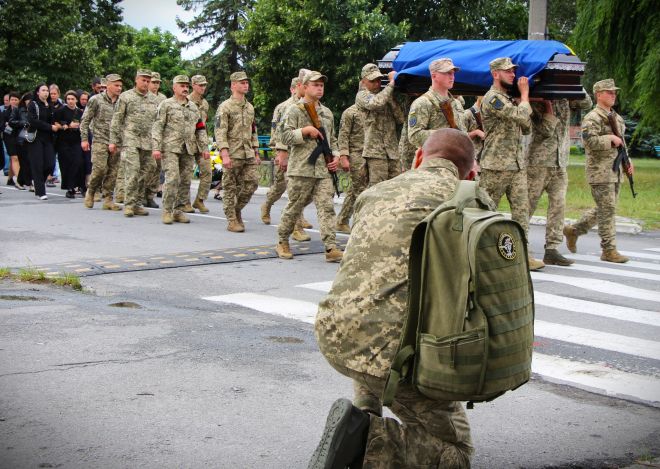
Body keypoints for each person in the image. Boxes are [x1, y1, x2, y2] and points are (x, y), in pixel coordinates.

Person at [310, 129, 475, 469]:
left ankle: (364, 414)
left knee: (378, 310)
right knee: (455, 454)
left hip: (337, 333)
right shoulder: (468, 203)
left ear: (417, 158)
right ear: (470, 175)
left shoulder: (374, 193)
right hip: (393, 354)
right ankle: (369, 442)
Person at [479, 57, 544, 271]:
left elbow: (526, 126)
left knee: (521, 213)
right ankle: (478, 253)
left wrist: (521, 105)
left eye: (513, 71)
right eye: (507, 71)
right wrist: (525, 96)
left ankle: (524, 255)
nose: (513, 75)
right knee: (486, 212)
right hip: (495, 165)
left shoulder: (508, 99)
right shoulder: (492, 98)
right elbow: (519, 115)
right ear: (495, 74)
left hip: (516, 165)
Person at [276, 71, 343, 262]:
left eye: (321, 85)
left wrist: (336, 156)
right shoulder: (294, 110)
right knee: (294, 207)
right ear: (304, 87)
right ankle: (282, 241)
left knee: (326, 207)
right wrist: (304, 131)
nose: (319, 88)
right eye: (315, 85)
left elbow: (333, 140)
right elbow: (285, 136)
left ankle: (330, 248)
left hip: (323, 169)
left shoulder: (327, 113)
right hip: (301, 168)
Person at [563, 79, 632, 263]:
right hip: (600, 171)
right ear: (599, 94)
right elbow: (589, 143)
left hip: (615, 170)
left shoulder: (616, 117)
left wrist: (628, 162)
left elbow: (622, 143)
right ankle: (608, 250)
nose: (613, 95)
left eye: (614, 92)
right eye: (609, 92)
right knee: (607, 209)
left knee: (607, 208)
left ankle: (574, 230)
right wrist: (608, 138)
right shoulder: (592, 118)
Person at [527, 93, 592, 266]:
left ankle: (552, 249)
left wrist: (574, 87)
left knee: (558, 206)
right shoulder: (536, 98)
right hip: (538, 162)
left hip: (560, 162)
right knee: (527, 207)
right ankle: (520, 246)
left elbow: (587, 102)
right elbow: (545, 130)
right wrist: (547, 104)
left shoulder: (565, 98)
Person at [152, 75, 209, 224]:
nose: (185, 88)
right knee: (172, 178)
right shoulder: (166, 105)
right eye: (181, 86)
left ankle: (178, 210)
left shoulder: (193, 107)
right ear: (174, 87)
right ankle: (167, 210)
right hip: (170, 147)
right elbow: (158, 126)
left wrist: (204, 147)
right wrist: (156, 147)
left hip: (188, 148)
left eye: (186, 86)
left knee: (185, 180)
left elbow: (200, 129)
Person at [261, 74, 311, 242]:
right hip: (286, 153)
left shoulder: (309, 105)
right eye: (302, 85)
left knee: (299, 188)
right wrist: (279, 153)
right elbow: (277, 132)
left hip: (302, 153)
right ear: (296, 87)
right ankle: (268, 205)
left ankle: (298, 222)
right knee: (282, 187)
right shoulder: (285, 107)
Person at [214, 71, 260, 232]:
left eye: (246, 82)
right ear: (233, 85)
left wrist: (256, 151)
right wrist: (224, 153)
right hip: (232, 153)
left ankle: (236, 209)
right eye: (242, 83)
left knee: (252, 183)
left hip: (247, 152)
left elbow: (253, 130)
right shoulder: (225, 106)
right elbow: (220, 131)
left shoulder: (249, 107)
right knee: (230, 186)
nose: (245, 85)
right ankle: (232, 219)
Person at [110, 69, 159, 217]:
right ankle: (129, 204)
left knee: (149, 169)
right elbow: (117, 120)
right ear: (136, 80)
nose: (146, 83)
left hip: (148, 141)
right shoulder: (126, 97)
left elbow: (158, 123)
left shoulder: (155, 100)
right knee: (133, 170)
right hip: (130, 139)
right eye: (143, 80)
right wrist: (114, 141)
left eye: (148, 81)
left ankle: (138, 201)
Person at [407, 58, 479, 148]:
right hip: (436, 160)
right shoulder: (423, 102)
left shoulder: (456, 103)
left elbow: (461, 133)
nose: (452, 77)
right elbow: (414, 136)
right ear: (434, 76)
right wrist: (445, 135)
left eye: (453, 73)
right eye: (447, 73)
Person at [355, 63, 403, 187]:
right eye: (372, 80)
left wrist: (391, 98)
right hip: (375, 152)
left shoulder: (385, 95)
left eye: (379, 80)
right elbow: (375, 103)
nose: (377, 83)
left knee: (395, 188)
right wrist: (391, 84)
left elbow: (400, 118)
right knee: (377, 189)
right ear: (364, 81)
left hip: (392, 151)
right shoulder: (362, 96)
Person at [81, 74, 123, 210]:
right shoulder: (96, 100)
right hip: (99, 139)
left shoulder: (122, 102)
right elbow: (85, 120)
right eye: (116, 85)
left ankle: (108, 198)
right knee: (99, 169)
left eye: (120, 86)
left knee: (113, 172)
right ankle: (91, 191)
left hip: (116, 141)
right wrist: (84, 139)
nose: (119, 88)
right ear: (108, 85)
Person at [334, 97, 366, 233]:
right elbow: (343, 135)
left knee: (355, 190)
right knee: (360, 190)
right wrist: (344, 156)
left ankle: (342, 220)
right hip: (355, 154)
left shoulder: (373, 110)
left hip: (370, 154)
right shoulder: (350, 112)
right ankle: (361, 225)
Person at [26, 83, 60, 200]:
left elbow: (54, 121)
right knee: (38, 164)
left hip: (48, 139)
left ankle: (38, 182)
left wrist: (60, 125)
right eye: (43, 90)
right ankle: (40, 191)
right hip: (36, 138)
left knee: (50, 164)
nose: (46, 92)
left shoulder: (50, 105)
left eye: (47, 90)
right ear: (38, 92)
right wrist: (50, 127)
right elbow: (33, 121)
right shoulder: (33, 104)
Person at [187, 74, 213, 214]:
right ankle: (184, 202)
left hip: (201, 142)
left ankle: (199, 200)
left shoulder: (205, 103)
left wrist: (206, 143)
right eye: (200, 85)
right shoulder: (186, 101)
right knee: (186, 173)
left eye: (204, 85)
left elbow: (203, 124)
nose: (203, 87)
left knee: (207, 171)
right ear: (193, 85)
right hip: (187, 142)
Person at [142, 71, 167, 209]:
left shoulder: (163, 99)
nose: (155, 85)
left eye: (158, 83)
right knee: (146, 167)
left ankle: (150, 195)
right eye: (153, 82)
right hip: (144, 137)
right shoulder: (143, 97)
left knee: (157, 168)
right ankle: (139, 194)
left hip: (158, 138)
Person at [55, 90, 85, 198]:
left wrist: (78, 126)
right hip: (64, 141)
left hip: (76, 140)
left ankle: (80, 186)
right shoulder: (61, 110)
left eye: (72, 99)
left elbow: (83, 124)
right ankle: (70, 188)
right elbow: (56, 122)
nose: (70, 101)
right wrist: (65, 126)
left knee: (78, 162)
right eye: (68, 99)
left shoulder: (80, 112)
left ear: (76, 100)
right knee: (66, 164)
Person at [8, 93, 33, 190]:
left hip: (33, 138)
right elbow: (11, 121)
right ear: (25, 101)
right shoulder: (18, 109)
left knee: (30, 161)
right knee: (25, 161)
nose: (30, 103)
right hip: (21, 138)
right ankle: (29, 183)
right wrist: (22, 123)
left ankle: (20, 181)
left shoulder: (35, 110)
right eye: (29, 101)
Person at [2, 92, 21, 188]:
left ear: (19, 101)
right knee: (14, 158)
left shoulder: (21, 111)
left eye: (15, 99)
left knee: (15, 158)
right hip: (8, 136)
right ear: (9, 101)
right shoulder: (5, 112)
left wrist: (13, 123)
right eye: (12, 100)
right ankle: (19, 181)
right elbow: (2, 126)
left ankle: (10, 179)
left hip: (19, 137)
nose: (13, 101)